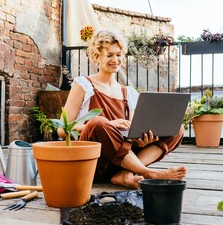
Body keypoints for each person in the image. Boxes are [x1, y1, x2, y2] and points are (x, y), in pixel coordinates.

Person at [58, 30, 186, 188]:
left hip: (121, 161)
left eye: (119, 54)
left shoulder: (128, 93)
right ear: (96, 57)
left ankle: (125, 174)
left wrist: (142, 139)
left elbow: (131, 135)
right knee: (98, 123)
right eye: (109, 55)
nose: (115, 60)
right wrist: (108, 126)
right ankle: (147, 172)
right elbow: (62, 129)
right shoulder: (83, 84)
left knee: (177, 129)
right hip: (94, 162)